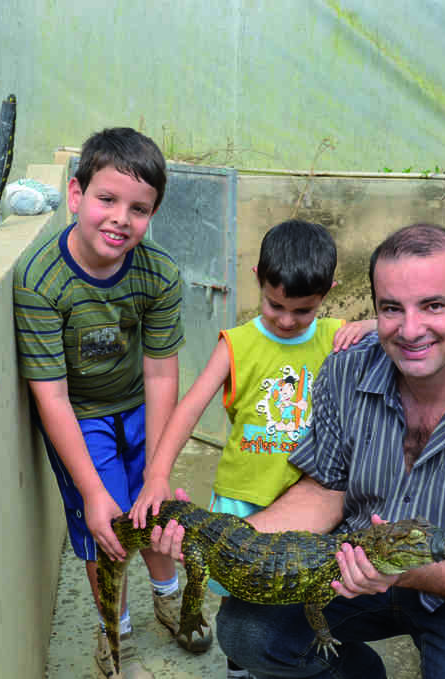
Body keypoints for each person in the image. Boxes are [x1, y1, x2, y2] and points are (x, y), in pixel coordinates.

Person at [149, 223, 445, 679]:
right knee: (247, 632)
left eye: (434, 305)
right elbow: (323, 490)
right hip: (348, 571)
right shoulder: (343, 372)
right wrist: (226, 539)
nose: (411, 330)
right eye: (392, 308)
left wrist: (402, 572)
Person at [127, 219, 376, 679]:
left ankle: (280, 660)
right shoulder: (237, 343)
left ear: (329, 292)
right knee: (238, 597)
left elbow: (397, 336)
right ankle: (238, 664)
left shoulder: (338, 338)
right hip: (242, 499)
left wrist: (373, 323)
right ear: (258, 276)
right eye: (274, 303)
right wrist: (156, 474)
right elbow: (188, 410)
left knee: (299, 595)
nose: (285, 319)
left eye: (302, 310)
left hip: (310, 504)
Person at [13, 127, 211, 679]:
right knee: (107, 529)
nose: (121, 218)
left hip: (141, 408)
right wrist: (94, 491)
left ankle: (169, 599)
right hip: (80, 417)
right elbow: (49, 394)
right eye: (107, 199)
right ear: (76, 195)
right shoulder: (40, 280)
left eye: (139, 208)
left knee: (155, 508)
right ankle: (114, 630)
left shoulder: (159, 273)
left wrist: (159, 466)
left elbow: (160, 371)